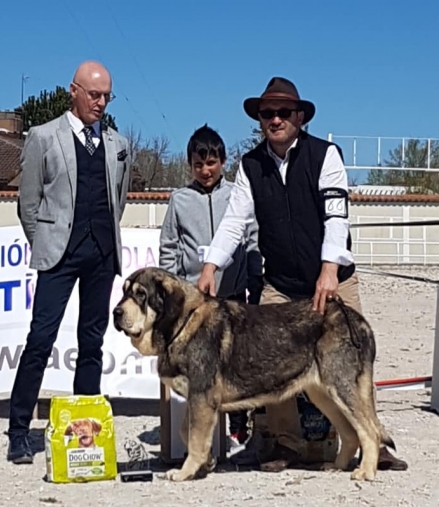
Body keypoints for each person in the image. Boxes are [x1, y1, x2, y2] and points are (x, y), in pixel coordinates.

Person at [197, 77, 407, 472]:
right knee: (269, 363)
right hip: (281, 285)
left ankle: (372, 441)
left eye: (283, 112)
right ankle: (283, 445)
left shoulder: (326, 155)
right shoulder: (250, 165)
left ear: (299, 117)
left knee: (352, 364)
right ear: (260, 119)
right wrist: (211, 265)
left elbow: (336, 216)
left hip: (334, 280)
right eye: (267, 113)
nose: (275, 119)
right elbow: (233, 223)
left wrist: (329, 270)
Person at [7, 61, 131, 464]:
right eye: (94, 94)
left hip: (101, 255)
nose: (101, 102)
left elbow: (120, 197)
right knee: (40, 339)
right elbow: (28, 203)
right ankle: (19, 430)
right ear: (73, 91)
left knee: (91, 342)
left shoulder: (118, 144)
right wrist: (44, 241)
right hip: (57, 255)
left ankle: (85, 426)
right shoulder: (43, 137)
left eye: (107, 96)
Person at [159, 124, 263, 450]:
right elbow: (169, 248)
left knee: (239, 364)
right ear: (190, 165)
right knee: (199, 368)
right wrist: (171, 293)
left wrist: (255, 281)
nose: (206, 171)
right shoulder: (179, 200)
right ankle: (201, 436)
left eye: (212, 163)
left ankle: (241, 428)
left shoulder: (238, 196)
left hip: (232, 296)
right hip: (193, 303)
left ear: (223, 162)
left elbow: (251, 240)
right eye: (198, 164)